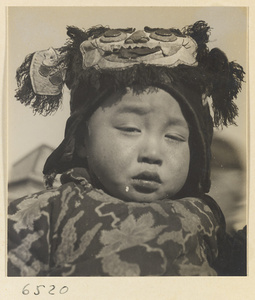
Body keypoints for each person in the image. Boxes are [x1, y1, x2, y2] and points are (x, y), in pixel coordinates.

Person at [8, 21, 246, 276]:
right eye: (131, 129)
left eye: (175, 136)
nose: (153, 154)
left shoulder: (207, 216)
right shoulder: (46, 211)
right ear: (83, 140)